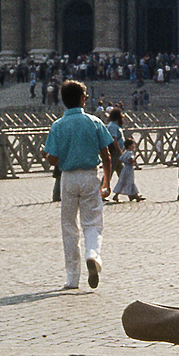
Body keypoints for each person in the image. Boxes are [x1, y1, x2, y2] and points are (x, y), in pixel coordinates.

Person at [43, 80, 112, 291]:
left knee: (69, 226)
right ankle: (93, 255)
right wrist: (107, 181)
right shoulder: (94, 122)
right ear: (83, 99)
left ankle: (72, 278)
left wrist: (45, 155)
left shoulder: (57, 125)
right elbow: (107, 155)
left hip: (68, 178)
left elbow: (53, 159)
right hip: (91, 176)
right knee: (92, 223)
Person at [106, 107, 125, 182]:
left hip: (117, 152)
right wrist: (120, 151)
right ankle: (101, 190)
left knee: (122, 172)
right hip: (114, 152)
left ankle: (131, 190)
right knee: (109, 172)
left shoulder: (115, 126)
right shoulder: (112, 126)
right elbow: (114, 139)